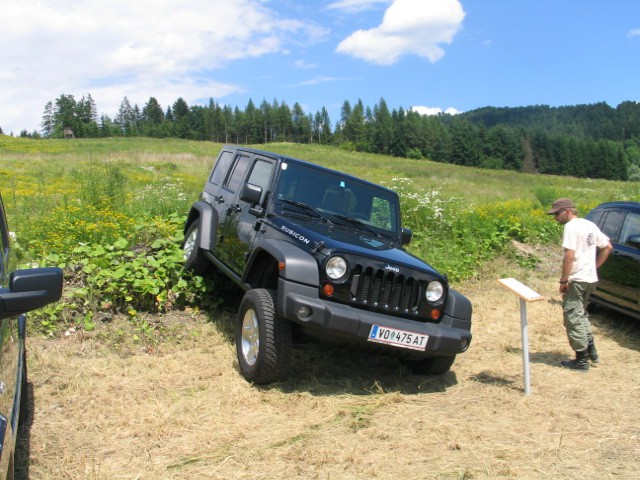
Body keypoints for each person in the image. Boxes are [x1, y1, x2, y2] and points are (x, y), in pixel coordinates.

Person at [547, 198, 612, 371]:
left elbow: (569, 255)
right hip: (590, 278)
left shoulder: (571, 227)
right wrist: (594, 267)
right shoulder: (589, 225)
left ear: (568, 211)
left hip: (576, 279)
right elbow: (607, 247)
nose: (555, 218)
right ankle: (592, 352)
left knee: (573, 317)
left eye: (557, 213)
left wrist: (563, 280)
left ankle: (581, 360)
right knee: (581, 314)